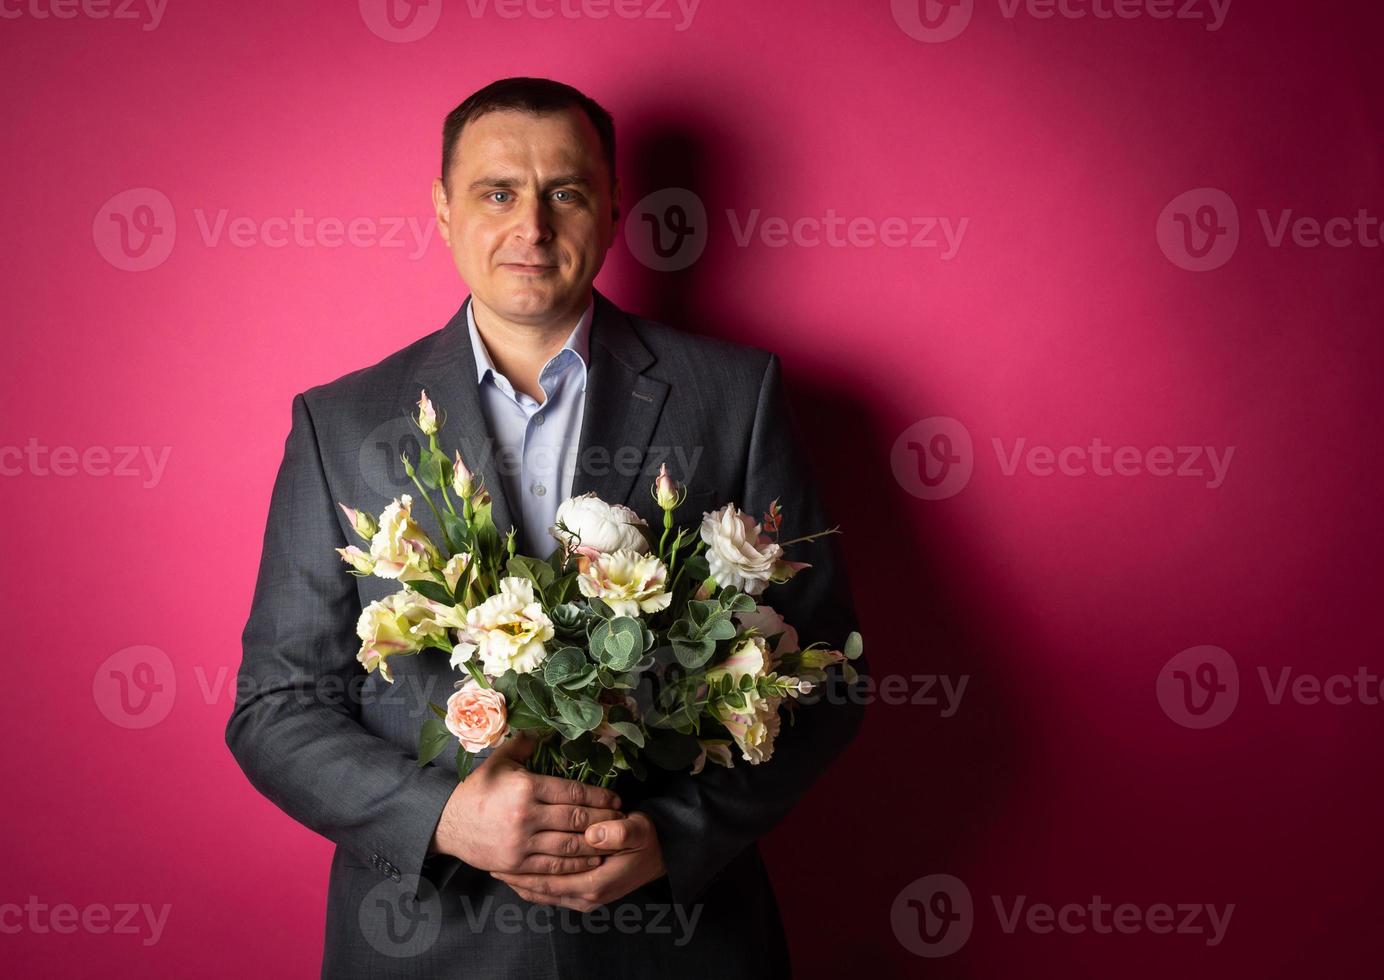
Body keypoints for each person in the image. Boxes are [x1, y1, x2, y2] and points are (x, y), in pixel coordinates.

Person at [226, 76, 866, 979]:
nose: (530, 226)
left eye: (563, 192)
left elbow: (826, 673)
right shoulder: (340, 424)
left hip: (677, 944)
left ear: (611, 209)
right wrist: (445, 821)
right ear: (443, 211)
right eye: (496, 193)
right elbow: (277, 705)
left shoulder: (737, 395)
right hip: (427, 943)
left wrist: (670, 839)